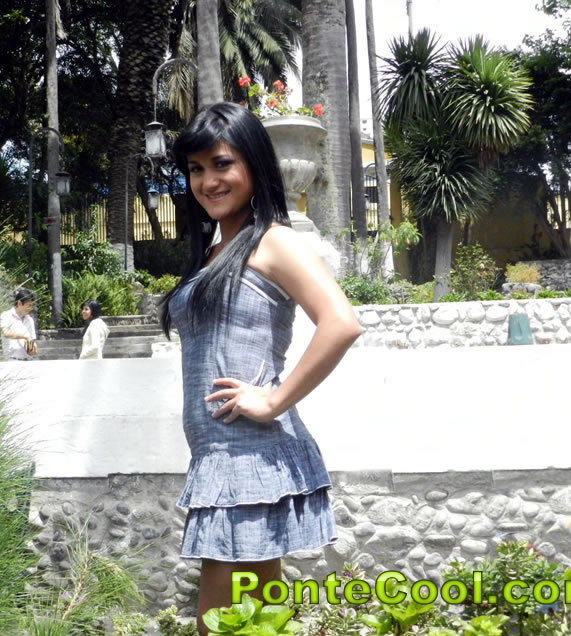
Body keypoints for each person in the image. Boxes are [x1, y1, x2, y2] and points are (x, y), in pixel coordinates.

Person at [159, 102, 363, 633]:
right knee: (255, 619)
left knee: (220, 622)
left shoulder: (273, 240)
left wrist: (273, 399)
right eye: (196, 169)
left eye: (221, 163)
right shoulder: (215, 250)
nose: (207, 181)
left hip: (248, 456)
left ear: (253, 162)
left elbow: (341, 322)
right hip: (221, 457)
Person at [0, 287, 38, 360]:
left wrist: (32, 349)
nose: (31, 308)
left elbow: (30, 349)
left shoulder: (29, 320)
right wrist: (24, 336)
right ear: (20, 303)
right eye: (29, 305)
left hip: (27, 361)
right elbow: (5, 333)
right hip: (12, 360)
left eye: (32, 305)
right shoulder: (6, 315)